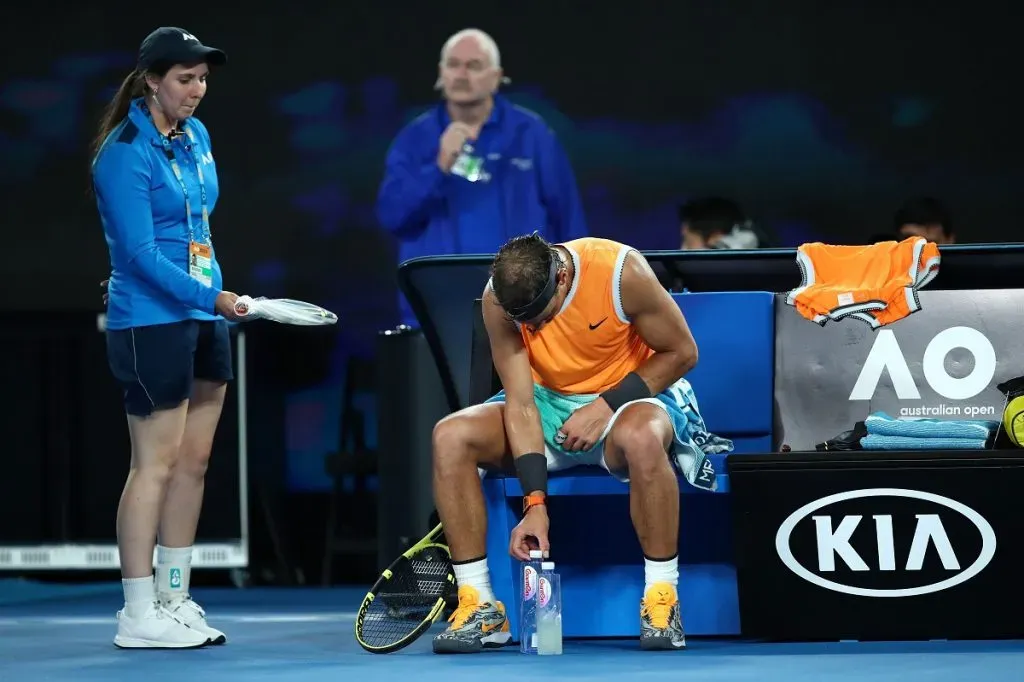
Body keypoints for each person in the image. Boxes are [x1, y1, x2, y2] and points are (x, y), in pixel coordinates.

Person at [430, 234, 733, 654]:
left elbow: (681, 353)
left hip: (630, 396)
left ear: (562, 277)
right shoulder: (499, 299)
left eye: (539, 318)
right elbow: (519, 403)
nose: (531, 329)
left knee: (644, 436)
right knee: (451, 435)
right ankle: (479, 603)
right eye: (525, 323)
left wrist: (606, 405)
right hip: (546, 403)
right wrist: (535, 505)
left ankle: (662, 599)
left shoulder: (621, 272)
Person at [90, 26, 243, 649]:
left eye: (203, 78)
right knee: (152, 465)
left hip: (202, 317)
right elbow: (140, 254)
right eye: (184, 79)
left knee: (195, 461)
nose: (197, 90)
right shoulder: (124, 152)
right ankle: (136, 610)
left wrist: (219, 298)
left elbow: (197, 223)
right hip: (150, 321)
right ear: (151, 80)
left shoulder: (196, 136)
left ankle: (174, 596)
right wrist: (214, 297)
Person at [376, 28, 588, 327]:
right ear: (441, 73)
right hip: (439, 315)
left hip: (526, 310)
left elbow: (570, 223)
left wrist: (573, 303)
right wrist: (439, 166)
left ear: (496, 76)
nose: (461, 74)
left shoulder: (532, 134)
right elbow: (392, 217)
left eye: (473, 65)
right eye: (453, 65)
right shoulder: (415, 139)